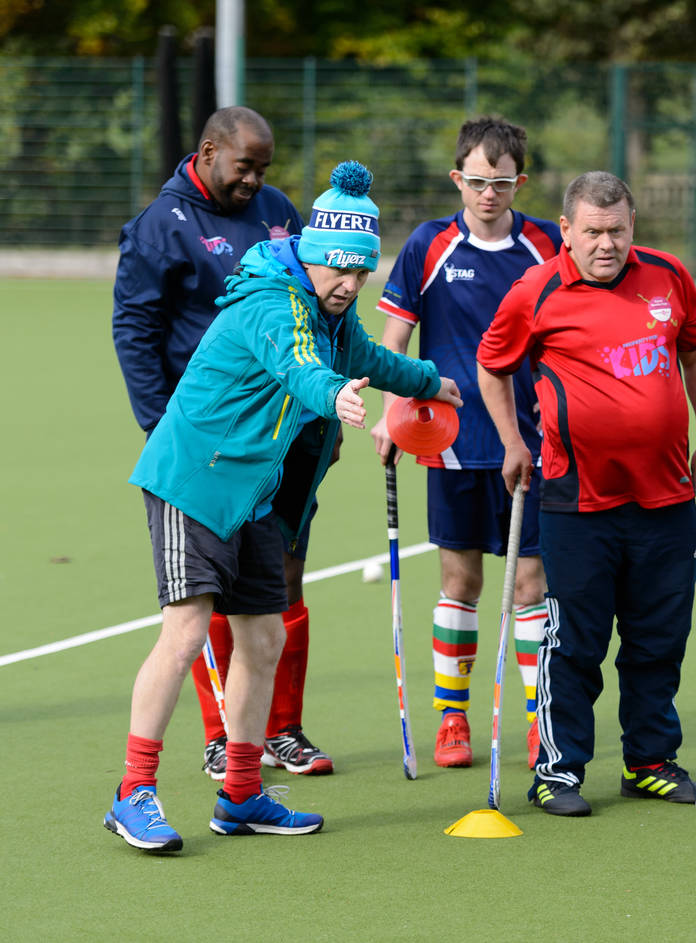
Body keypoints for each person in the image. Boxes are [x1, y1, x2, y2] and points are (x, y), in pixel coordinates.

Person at [104, 161, 464, 853]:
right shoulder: (274, 301)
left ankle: (240, 794)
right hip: (196, 478)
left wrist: (431, 381)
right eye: (342, 272)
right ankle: (133, 791)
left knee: (263, 638)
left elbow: (367, 356)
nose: (352, 285)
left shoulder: (333, 312)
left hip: (255, 495)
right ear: (312, 255)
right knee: (184, 632)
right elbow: (297, 362)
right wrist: (333, 396)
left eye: (362, 274)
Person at [477, 171, 696, 818]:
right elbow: (492, 364)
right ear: (567, 231)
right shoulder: (537, 290)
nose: (606, 244)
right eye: (592, 232)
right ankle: (557, 771)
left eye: (616, 230)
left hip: (667, 496)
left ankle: (649, 762)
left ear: (632, 227)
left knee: (658, 638)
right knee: (575, 642)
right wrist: (511, 441)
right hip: (576, 501)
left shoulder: (668, 276)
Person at [112, 105, 334, 780]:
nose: (255, 181)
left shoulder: (278, 209)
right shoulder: (160, 227)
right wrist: (163, 426)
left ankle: (282, 730)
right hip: (207, 448)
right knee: (206, 598)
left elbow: (317, 304)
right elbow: (135, 333)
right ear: (208, 152)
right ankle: (219, 738)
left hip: (282, 439)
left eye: (264, 168)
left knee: (281, 581)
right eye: (245, 167)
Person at [370, 116, 562, 771]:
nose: (488, 195)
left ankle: (541, 723)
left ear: (520, 182)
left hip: (530, 440)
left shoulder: (548, 243)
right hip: (448, 439)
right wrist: (390, 413)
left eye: (501, 184)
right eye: (477, 182)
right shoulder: (428, 245)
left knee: (531, 583)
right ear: (458, 178)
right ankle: (453, 718)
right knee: (461, 578)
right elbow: (392, 341)